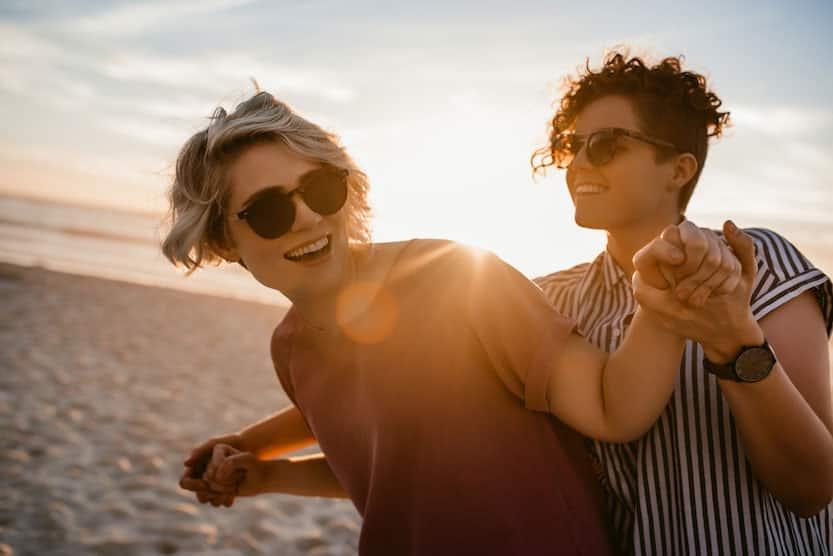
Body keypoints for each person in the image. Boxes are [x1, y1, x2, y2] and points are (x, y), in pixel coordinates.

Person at [163, 90, 740, 555]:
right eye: (268, 210)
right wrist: (265, 473)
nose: (309, 216)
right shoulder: (290, 347)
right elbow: (386, 474)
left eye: (320, 188)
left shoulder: (460, 279)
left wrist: (666, 298)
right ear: (222, 239)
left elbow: (613, 406)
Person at [530, 50, 833, 555]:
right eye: (571, 145)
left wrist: (730, 339)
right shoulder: (550, 300)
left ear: (678, 169)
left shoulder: (757, 262)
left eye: (606, 145)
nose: (579, 162)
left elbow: (812, 488)